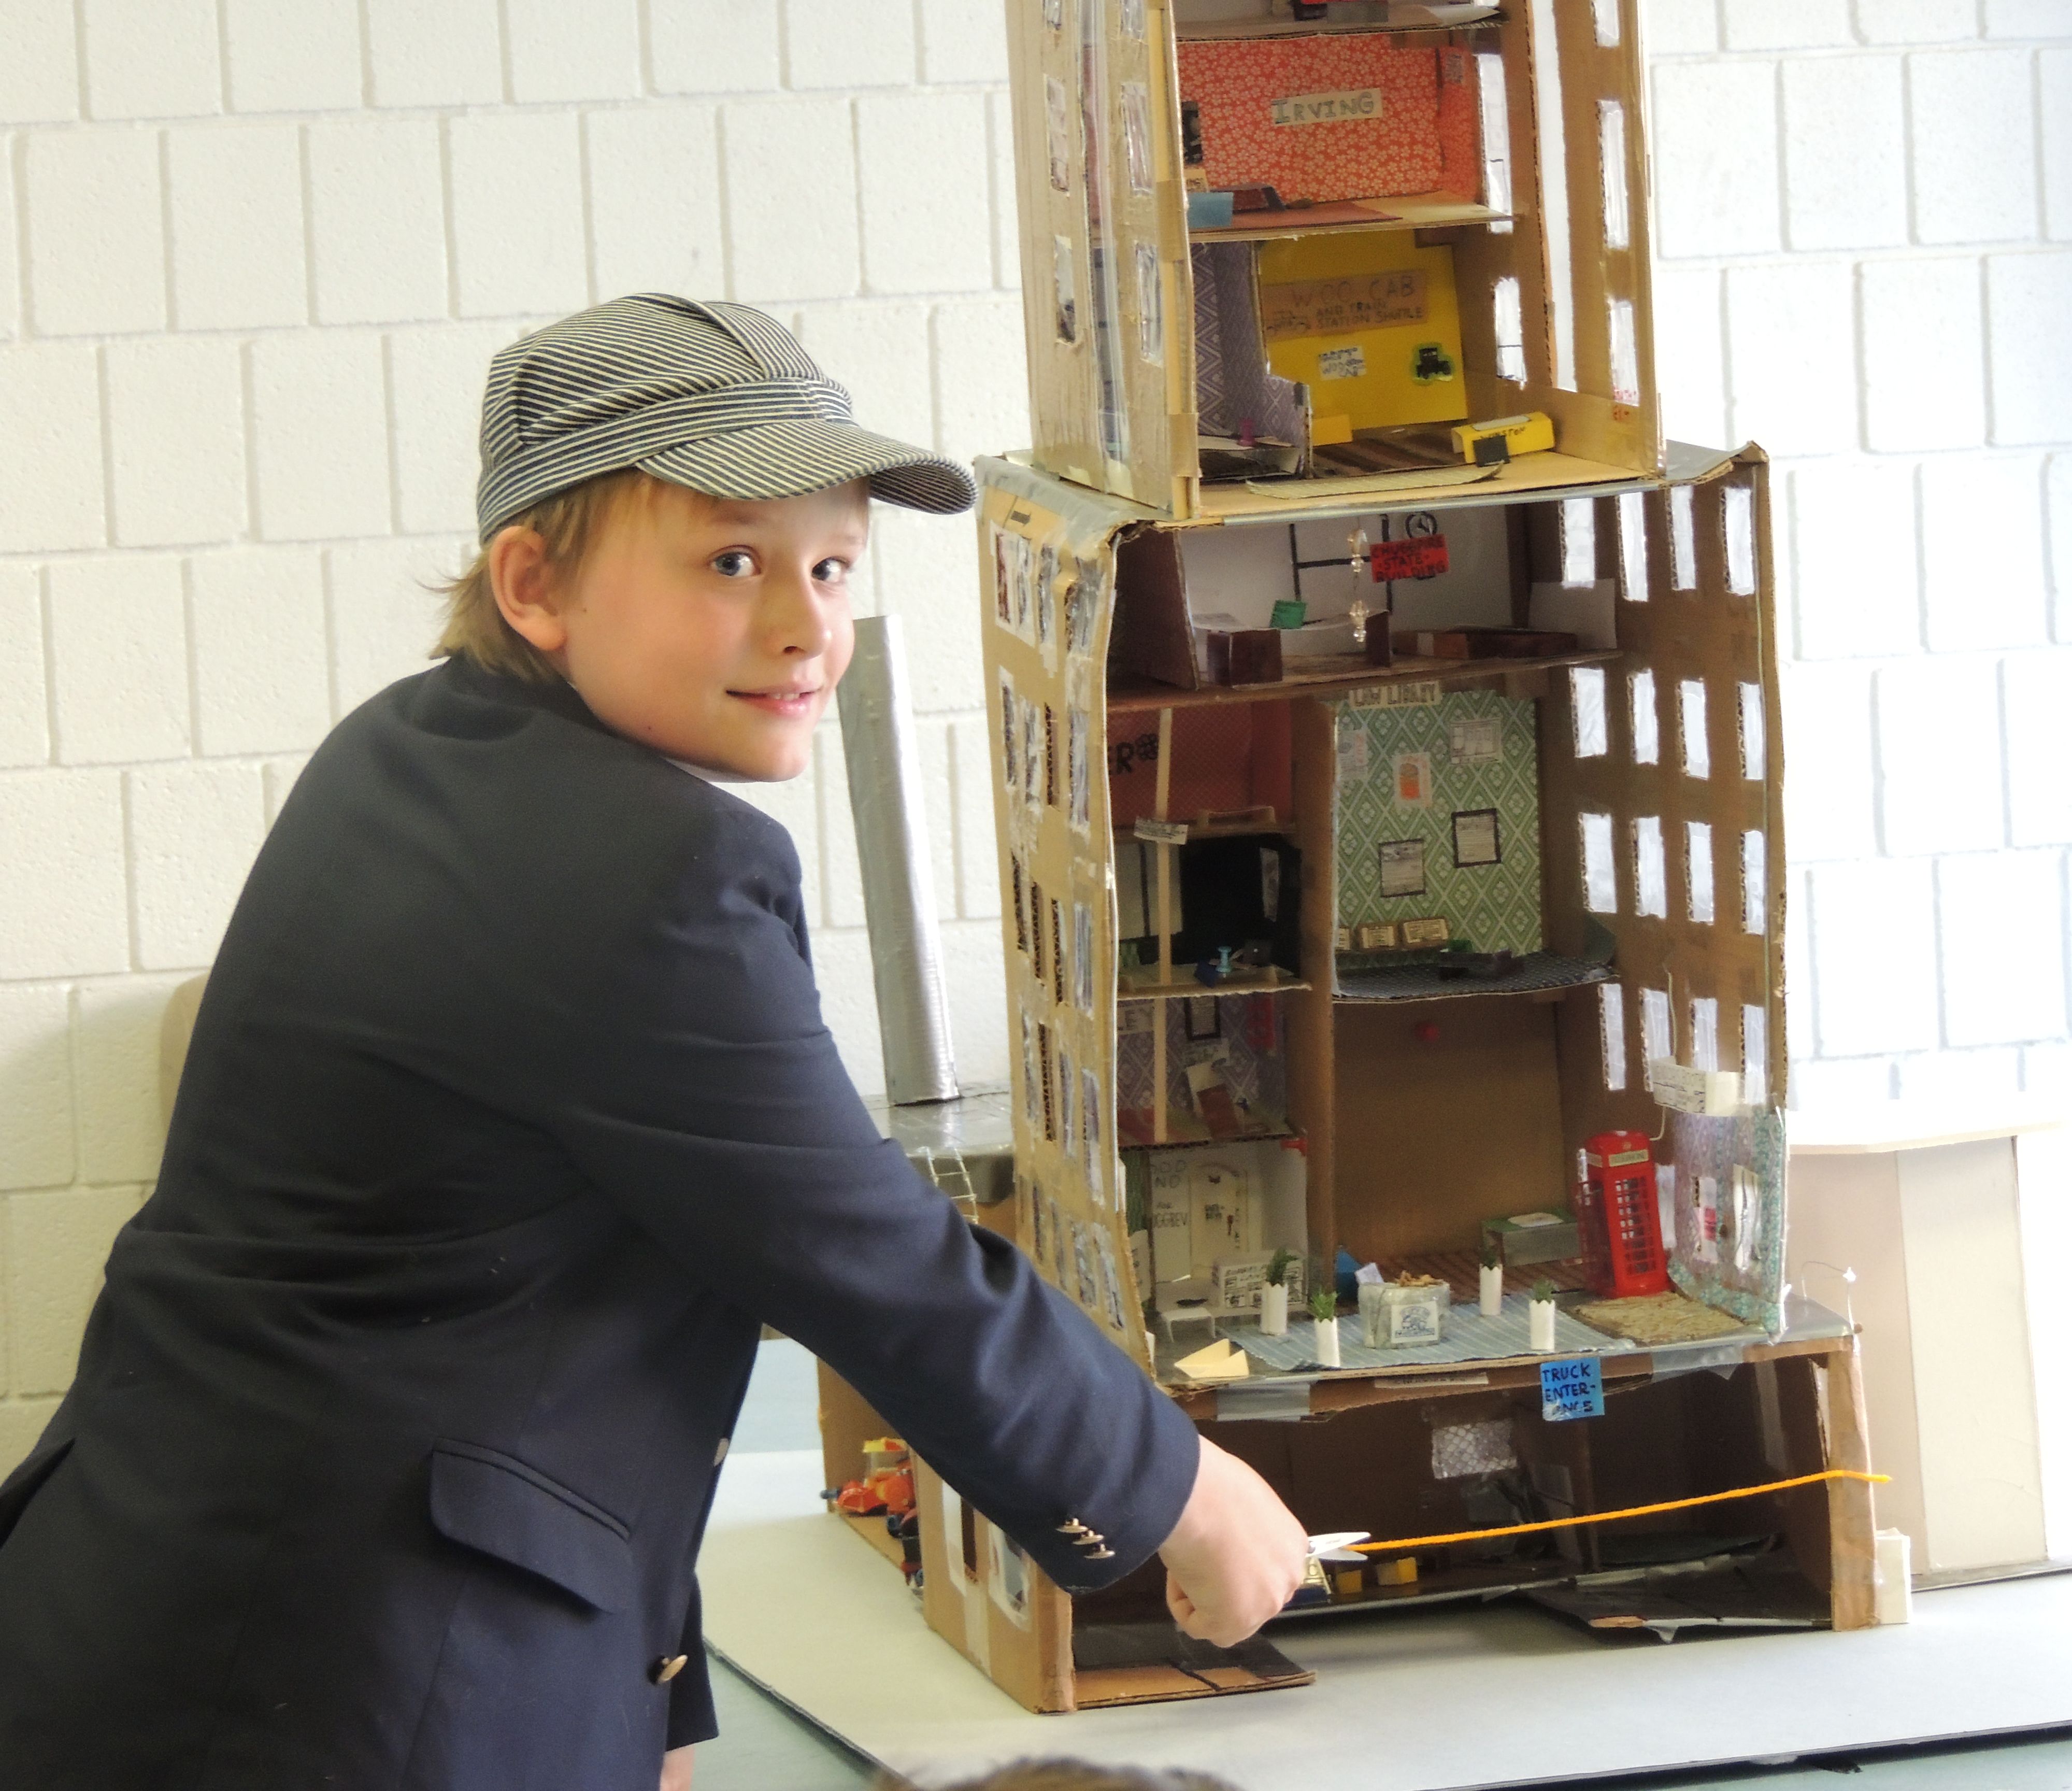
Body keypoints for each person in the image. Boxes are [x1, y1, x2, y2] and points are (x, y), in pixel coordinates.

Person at [0, 295, 1310, 1791]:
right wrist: (1183, 1491)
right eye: (732, 561)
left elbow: (560, 1318)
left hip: (160, 1619)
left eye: (832, 565)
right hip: (343, 1691)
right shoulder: (642, 867)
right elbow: (870, 1260)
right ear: (535, 584)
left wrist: (654, 1705)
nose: (806, 624)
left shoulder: (408, 756)